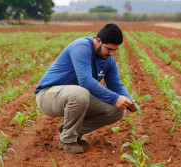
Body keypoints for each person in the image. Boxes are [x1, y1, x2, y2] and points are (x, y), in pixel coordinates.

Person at [35, 23, 137, 154]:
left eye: (115, 50)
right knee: (81, 92)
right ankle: (67, 140)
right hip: (48, 95)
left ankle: (69, 130)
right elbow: (85, 81)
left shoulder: (108, 60)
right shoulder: (82, 47)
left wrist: (128, 101)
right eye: (108, 49)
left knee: (117, 110)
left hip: (73, 95)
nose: (111, 53)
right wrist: (115, 98)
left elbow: (116, 86)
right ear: (98, 40)